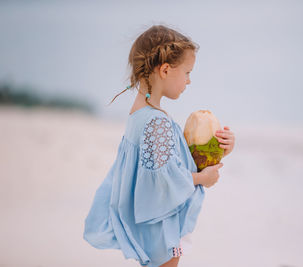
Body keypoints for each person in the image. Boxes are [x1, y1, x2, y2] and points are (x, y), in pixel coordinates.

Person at [83, 24, 235, 267]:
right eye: (187, 72)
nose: (189, 81)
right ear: (165, 70)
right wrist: (202, 179)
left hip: (147, 218)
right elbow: (164, 176)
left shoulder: (138, 115)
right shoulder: (157, 122)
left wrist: (222, 148)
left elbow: (168, 160)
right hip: (160, 223)